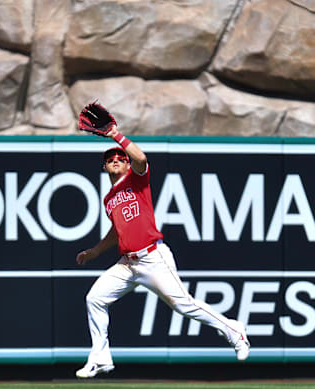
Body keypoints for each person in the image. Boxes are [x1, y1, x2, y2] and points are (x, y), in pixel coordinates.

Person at [74, 124, 251, 379]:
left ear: (126, 164)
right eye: (109, 160)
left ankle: (234, 331)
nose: (115, 161)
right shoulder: (109, 198)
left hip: (153, 257)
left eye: (119, 158)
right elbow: (117, 231)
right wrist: (95, 251)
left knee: (184, 306)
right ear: (104, 167)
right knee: (95, 298)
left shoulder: (136, 180)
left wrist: (116, 136)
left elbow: (141, 158)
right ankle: (101, 358)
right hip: (127, 264)